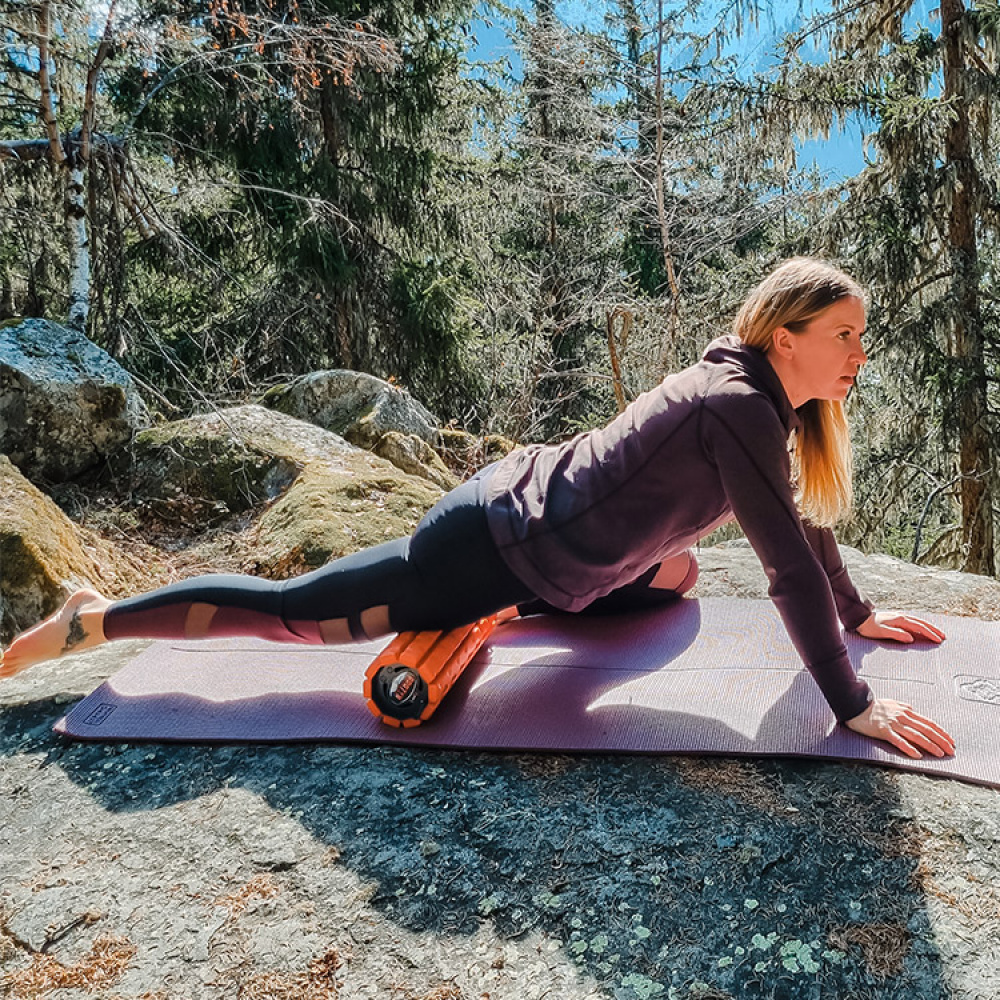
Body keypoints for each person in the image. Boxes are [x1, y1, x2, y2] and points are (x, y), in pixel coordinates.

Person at [1, 257, 955, 760]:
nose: (856, 355)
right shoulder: (737, 402)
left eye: (858, 338)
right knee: (298, 617)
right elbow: (787, 566)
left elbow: (801, 521)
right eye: (843, 336)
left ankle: (531, 602)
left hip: (569, 555)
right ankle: (95, 618)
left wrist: (861, 611)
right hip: (489, 541)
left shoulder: (763, 399)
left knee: (678, 572)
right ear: (785, 339)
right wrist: (853, 702)